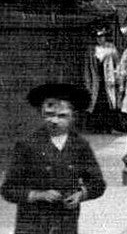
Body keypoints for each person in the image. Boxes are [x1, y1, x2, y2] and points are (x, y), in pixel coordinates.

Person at [1, 82, 106, 234]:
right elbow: (8, 189)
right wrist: (37, 195)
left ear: (73, 117)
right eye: (49, 114)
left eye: (62, 116)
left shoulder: (79, 146)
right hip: (32, 224)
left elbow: (97, 184)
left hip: (65, 223)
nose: (54, 120)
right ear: (41, 114)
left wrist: (81, 194)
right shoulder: (27, 145)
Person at [82, 29, 120, 133]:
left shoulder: (111, 48)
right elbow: (87, 68)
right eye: (98, 37)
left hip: (108, 81)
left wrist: (116, 78)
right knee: (96, 104)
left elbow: (117, 64)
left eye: (102, 36)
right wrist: (88, 83)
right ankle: (97, 127)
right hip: (96, 81)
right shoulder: (91, 50)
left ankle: (108, 127)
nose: (100, 39)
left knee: (108, 103)